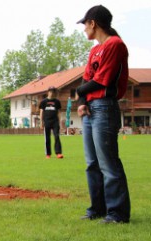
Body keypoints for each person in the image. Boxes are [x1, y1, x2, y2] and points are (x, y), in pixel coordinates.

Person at [76, 5, 130, 223]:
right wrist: (81, 101)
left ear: (93, 23)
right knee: (92, 163)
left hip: (105, 107)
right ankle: (97, 209)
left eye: (85, 24)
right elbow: (86, 77)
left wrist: (80, 92)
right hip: (91, 108)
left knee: (108, 163)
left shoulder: (115, 45)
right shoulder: (94, 50)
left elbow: (101, 80)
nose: (84, 29)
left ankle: (117, 213)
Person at [39, 86, 63, 159]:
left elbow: (59, 112)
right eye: (51, 91)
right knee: (47, 138)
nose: (52, 93)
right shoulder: (43, 102)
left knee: (57, 136)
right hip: (47, 122)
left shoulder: (57, 102)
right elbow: (41, 112)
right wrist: (41, 122)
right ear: (48, 92)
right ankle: (48, 154)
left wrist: (60, 123)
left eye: (53, 91)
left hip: (55, 122)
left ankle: (58, 153)